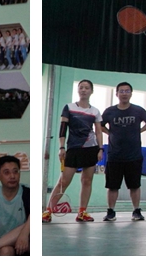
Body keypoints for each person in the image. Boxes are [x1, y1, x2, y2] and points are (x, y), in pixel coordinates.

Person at [44, 79, 103, 223]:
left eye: (87, 88)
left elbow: (98, 132)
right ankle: (48, 211)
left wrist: (101, 149)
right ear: (78, 90)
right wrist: (61, 147)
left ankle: (82, 212)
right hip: (73, 149)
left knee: (87, 180)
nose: (83, 90)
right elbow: (63, 128)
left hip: (91, 148)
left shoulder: (95, 111)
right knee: (63, 181)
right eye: (81, 87)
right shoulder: (69, 107)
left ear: (91, 91)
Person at [99, 82, 146, 221]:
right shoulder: (110, 111)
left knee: (134, 186)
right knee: (112, 186)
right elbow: (100, 126)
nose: (124, 93)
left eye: (127, 91)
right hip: (114, 155)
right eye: (121, 91)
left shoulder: (138, 110)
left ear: (131, 94)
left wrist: (139, 131)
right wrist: (110, 133)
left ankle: (136, 211)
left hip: (134, 155)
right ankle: (110, 212)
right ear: (117, 94)